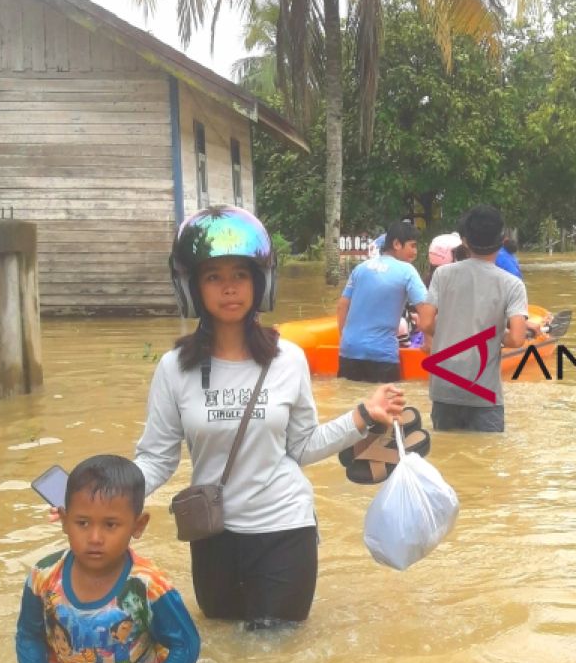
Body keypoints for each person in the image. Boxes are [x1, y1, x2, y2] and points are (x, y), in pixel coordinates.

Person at [136, 206, 404, 629]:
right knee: (225, 650)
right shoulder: (175, 368)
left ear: (259, 282)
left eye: (240, 275)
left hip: (284, 529)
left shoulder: (288, 359)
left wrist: (362, 415)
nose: (229, 289)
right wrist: (102, 494)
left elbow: (300, 446)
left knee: (274, 656)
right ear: (193, 287)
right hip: (212, 534)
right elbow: (155, 459)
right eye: (214, 277)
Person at [15, 454, 200, 663]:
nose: (95, 537)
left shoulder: (149, 587)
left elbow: (186, 644)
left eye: (111, 525)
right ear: (64, 521)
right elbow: (29, 636)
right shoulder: (43, 577)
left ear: (138, 525)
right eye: (82, 523)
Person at [416, 205, 528, 433]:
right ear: (502, 240)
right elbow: (517, 339)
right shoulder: (512, 284)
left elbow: (425, 323)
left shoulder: (442, 274)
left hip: (444, 386)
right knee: (485, 460)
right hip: (483, 391)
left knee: (446, 458)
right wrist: (492, 334)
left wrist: (454, 329)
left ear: (464, 241)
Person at [336, 220, 429, 382]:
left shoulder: (361, 268)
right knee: (387, 405)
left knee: (352, 403)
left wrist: (345, 339)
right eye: (412, 246)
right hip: (382, 355)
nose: (415, 252)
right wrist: (429, 342)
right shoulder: (407, 270)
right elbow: (426, 310)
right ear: (397, 244)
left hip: (349, 351)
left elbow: (342, 306)